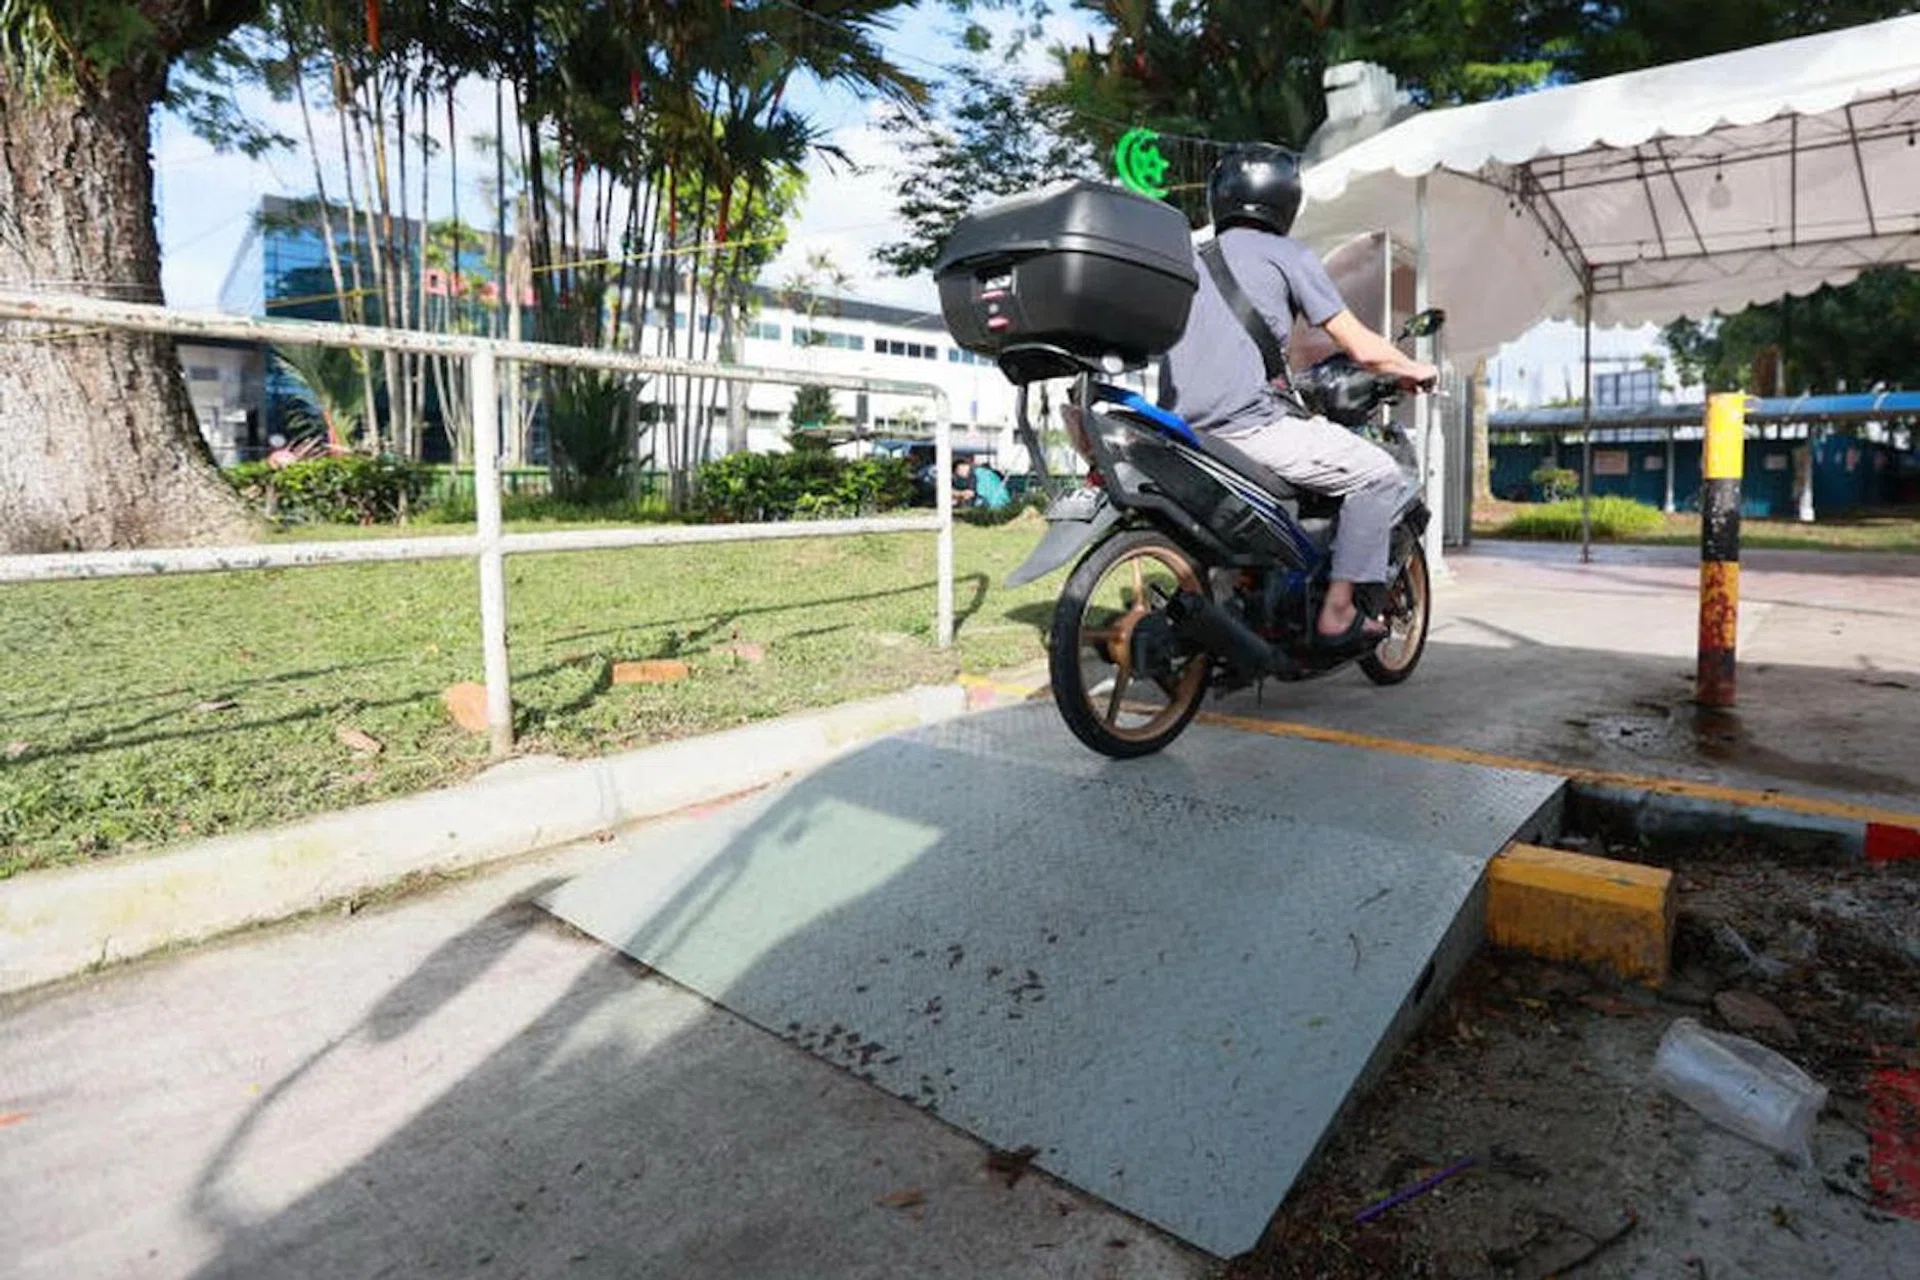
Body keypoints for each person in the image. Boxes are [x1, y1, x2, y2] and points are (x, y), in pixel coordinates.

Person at [1158, 143, 1438, 648]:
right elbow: (1360, 345)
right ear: (1285, 200)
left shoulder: (1189, 261)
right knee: (1378, 474)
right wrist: (1414, 367)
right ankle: (1337, 610)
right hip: (1249, 429)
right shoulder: (1289, 255)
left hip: (1182, 433)